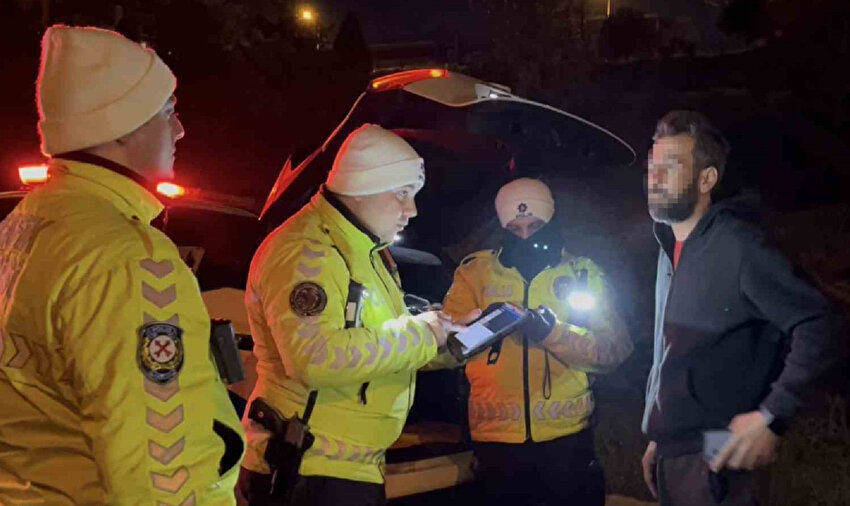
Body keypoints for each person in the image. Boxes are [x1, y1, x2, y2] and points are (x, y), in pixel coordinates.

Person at [0, 25, 245, 505]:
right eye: (168, 113)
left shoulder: (26, 224)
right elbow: (160, 469)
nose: (179, 130)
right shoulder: (128, 256)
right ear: (121, 127)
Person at [238, 123, 463, 506]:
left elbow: (375, 348)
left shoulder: (364, 249)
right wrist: (421, 334)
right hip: (305, 471)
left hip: (343, 470)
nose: (412, 210)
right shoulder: (308, 251)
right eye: (403, 194)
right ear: (363, 188)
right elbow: (315, 357)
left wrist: (448, 342)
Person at [641, 110, 846, 506]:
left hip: (720, 459)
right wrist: (661, 436)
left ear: (706, 179)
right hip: (675, 455)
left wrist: (773, 415)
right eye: (652, 165)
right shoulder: (668, 251)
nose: (655, 176)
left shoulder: (739, 247)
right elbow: (670, 354)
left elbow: (821, 323)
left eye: (671, 165)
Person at [442, 178, 633, 505]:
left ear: (552, 221)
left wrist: (552, 333)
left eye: (535, 225)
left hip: (567, 441)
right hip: (495, 440)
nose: (527, 235)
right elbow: (443, 351)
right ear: (502, 226)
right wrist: (488, 328)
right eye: (515, 228)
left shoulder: (581, 274)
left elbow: (614, 349)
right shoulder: (475, 273)